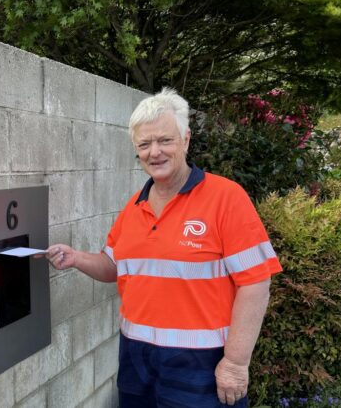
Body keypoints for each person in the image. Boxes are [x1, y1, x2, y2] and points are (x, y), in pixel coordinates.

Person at [44, 88, 282, 407]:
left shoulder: (226, 198)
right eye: (144, 144)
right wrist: (75, 258)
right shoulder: (135, 206)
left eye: (164, 140)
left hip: (201, 364)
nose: (154, 152)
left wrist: (236, 362)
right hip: (135, 358)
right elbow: (113, 265)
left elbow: (256, 282)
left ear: (185, 139)